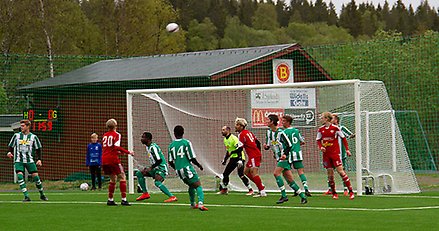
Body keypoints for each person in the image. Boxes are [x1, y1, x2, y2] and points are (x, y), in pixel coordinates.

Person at [168, 125, 208, 211]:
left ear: (174, 133)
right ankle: (200, 203)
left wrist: (177, 168)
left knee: (191, 185)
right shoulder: (186, 143)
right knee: (198, 185)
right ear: (183, 133)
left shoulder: (171, 145)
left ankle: (193, 204)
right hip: (186, 168)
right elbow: (191, 157)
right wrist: (199, 165)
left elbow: (170, 161)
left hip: (179, 170)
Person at [7, 119, 48, 202]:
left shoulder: (33, 137)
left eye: (23, 126)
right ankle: (26, 196)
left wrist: (39, 159)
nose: (21, 127)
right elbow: (11, 146)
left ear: (28, 126)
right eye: (21, 126)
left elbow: (38, 149)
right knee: (20, 176)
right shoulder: (16, 136)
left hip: (30, 160)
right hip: (19, 160)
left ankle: (42, 194)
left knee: (36, 178)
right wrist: (9, 152)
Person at [316, 112, 355, 200]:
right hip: (326, 155)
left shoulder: (335, 128)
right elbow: (318, 140)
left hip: (335, 154)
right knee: (330, 175)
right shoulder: (320, 129)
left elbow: (343, 139)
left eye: (322, 118)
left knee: (341, 172)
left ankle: (351, 191)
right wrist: (321, 147)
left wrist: (347, 150)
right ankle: (334, 193)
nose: (320, 119)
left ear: (326, 119)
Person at [274, 115, 308, 204]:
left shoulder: (282, 132)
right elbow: (302, 141)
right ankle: (303, 196)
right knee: (290, 179)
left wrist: (284, 154)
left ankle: (284, 196)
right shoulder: (295, 130)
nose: (282, 122)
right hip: (294, 154)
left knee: (276, 173)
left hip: (287, 156)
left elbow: (288, 145)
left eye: (284, 121)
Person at [135, 132, 177, 203]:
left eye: (143, 137)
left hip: (161, 168)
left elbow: (159, 160)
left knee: (157, 183)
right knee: (139, 173)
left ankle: (172, 197)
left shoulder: (153, 147)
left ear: (148, 139)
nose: (141, 139)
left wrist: (151, 168)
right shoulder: (147, 147)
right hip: (155, 168)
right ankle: (145, 193)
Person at [102, 118, 134, 206]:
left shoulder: (105, 135)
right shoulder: (117, 135)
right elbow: (116, 146)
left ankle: (110, 199)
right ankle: (124, 199)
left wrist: (119, 152)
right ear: (116, 126)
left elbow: (109, 148)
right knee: (122, 176)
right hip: (113, 159)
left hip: (104, 159)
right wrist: (128, 152)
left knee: (113, 179)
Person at [234, 117, 266, 197]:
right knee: (246, 172)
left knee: (253, 172)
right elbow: (258, 143)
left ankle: (262, 191)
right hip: (254, 155)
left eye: (237, 125)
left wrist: (239, 158)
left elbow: (240, 148)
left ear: (242, 126)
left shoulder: (241, 134)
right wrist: (260, 154)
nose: (235, 126)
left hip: (253, 156)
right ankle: (260, 185)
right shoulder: (248, 132)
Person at [217, 126, 254, 195]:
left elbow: (240, 149)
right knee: (225, 174)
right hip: (233, 158)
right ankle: (224, 189)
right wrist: (225, 160)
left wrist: (240, 160)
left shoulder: (234, 138)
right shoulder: (225, 139)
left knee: (240, 174)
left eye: (223, 130)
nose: (222, 131)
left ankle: (250, 189)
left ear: (228, 130)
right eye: (222, 130)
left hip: (239, 157)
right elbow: (229, 152)